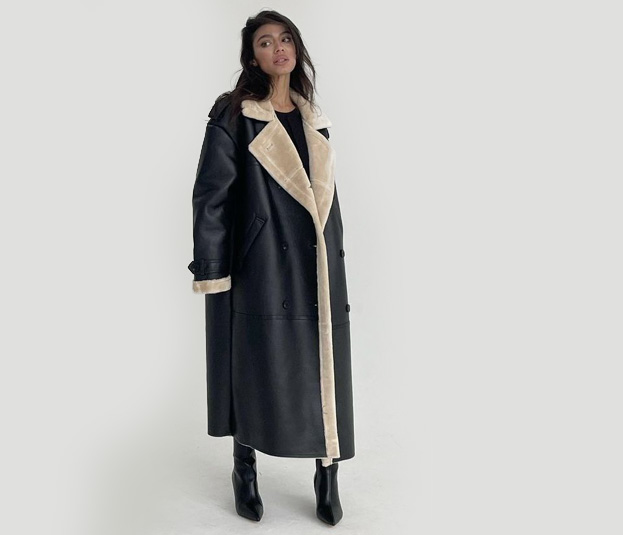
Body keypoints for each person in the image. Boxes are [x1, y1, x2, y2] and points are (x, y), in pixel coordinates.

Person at [188, 10, 354, 526]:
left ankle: (327, 472)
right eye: (265, 42)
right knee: (252, 364)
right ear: (252, 56)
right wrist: (213, 267)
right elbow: (211, 196)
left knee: (325, 364)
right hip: (261, 264)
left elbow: (322, 198)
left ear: (296, 49)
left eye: (285, 38)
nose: (278, 48)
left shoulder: (313, 116)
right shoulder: (235, 114)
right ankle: (245, 465)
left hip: (316, 261)